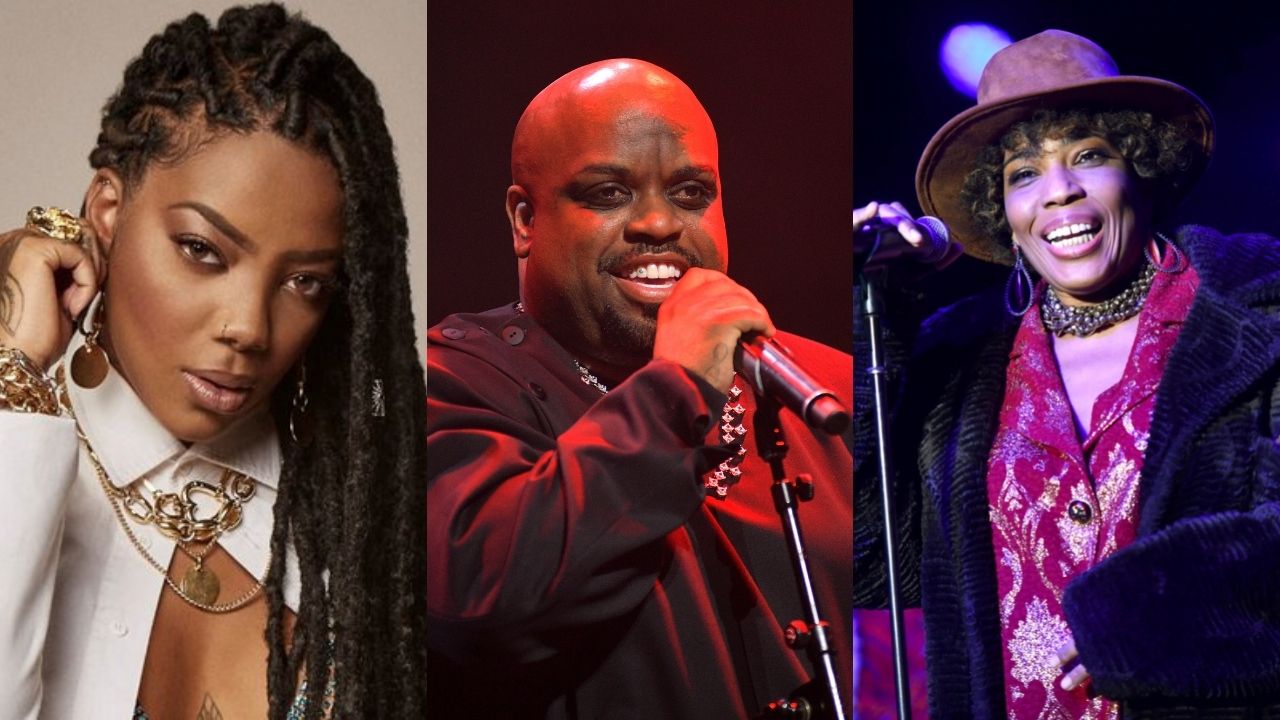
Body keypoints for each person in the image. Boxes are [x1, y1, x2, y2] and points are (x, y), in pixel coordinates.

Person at [0, 5, 426, 719]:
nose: (249, 328)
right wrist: (14, 373)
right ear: (106, 210)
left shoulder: (359, 519)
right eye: (203, 250)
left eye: (305, 282)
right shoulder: (16, 457)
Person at [853, 29, 1280, 717]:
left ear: (1140, 168)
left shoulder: (1255, 315)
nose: (1058, 192)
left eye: (1089, 156)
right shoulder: (957, 365)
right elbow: (873, 566)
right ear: (1005, 216)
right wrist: (882, 322)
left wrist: (1160, 614)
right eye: (1024, 174)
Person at [426, 59, 853, 718]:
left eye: (689, 193)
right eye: (607, 193)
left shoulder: (822, 385)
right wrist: (675, 387)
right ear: (523, 219)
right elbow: (483, 604)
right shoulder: (447, 381)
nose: (658, 224)